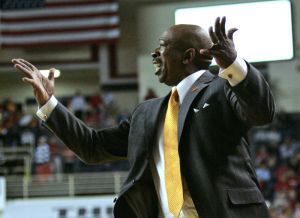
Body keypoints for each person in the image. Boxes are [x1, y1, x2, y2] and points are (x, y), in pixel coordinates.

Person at [13, 17, 275, 218]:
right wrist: (49, 104)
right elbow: (92, 147)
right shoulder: (147, 112)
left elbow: (261, 111)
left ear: (188, 56)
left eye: (162, 47)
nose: (154, 53)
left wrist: (234, 66)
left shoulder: (222, 86)